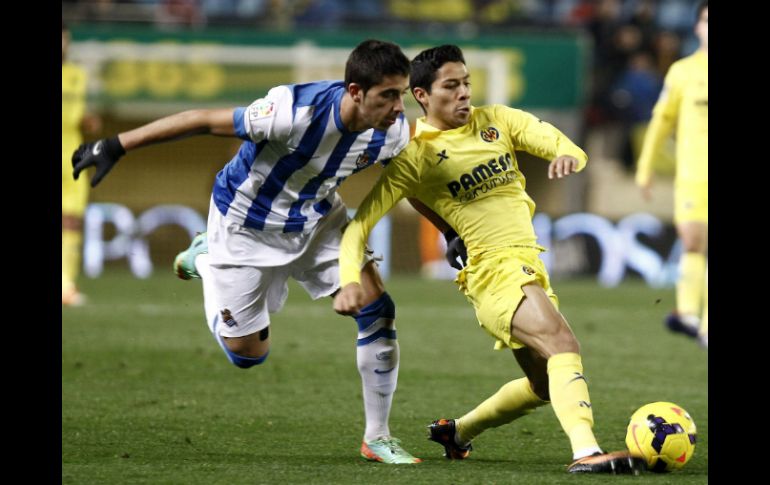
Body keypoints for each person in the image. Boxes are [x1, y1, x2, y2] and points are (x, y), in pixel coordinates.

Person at [71, 39, 428, 464]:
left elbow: (411, 185)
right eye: (388, 95)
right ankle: (204, 258)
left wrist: (449, 231)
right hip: (245, 226)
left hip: (316, 219)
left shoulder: (393, 131)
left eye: (401, 94)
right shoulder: (292, 111)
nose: (397, 107)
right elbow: (202, 119)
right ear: (355, 92)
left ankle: (378, 437)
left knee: (378, 307)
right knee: (248, 355)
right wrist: (116, 145)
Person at [334, 44, 645, 474]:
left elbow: (553, 138)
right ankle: (586, 452)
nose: (464, 93)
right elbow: (358, 226)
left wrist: (566, 153)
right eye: (451, 86)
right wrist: (351, 277)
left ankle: (457, 432)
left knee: (542, 384)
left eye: (466, 83)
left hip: (529, 263)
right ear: (422, 95)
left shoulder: (495, 120)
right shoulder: (416, 157)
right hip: (490, 271)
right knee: (563, 344)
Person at [635, 1, 708, 348]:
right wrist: (645, 167)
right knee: (693, 241)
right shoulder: (682, 71)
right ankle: (689, 315)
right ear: (697, 27)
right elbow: (662, 120)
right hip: (694, 173)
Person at [62, 21, 101, 306]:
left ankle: (66, 284)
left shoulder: (76, 75)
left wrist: (87, 119)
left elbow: (76, 113)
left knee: (71, 220)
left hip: (71, 153)